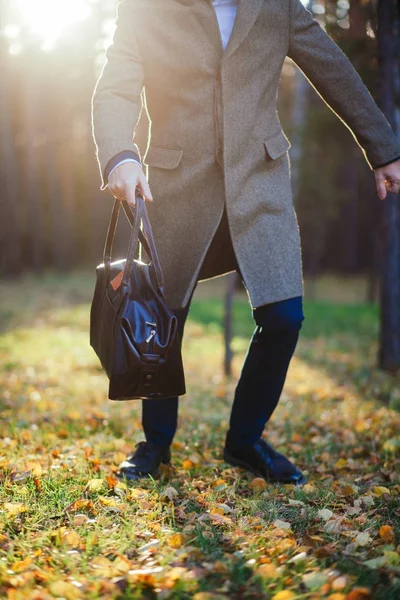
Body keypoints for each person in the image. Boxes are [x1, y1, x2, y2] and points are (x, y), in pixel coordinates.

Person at [91, 0, 400, 486]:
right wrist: (119, 156)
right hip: (179, 190)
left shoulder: (276, 6)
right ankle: (155, 444)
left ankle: (244, 440)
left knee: (283, 316)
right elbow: (116, 87)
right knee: (162, 319)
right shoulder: (146, 8)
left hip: (260, 186)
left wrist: (383, 149)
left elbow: (332, 68)